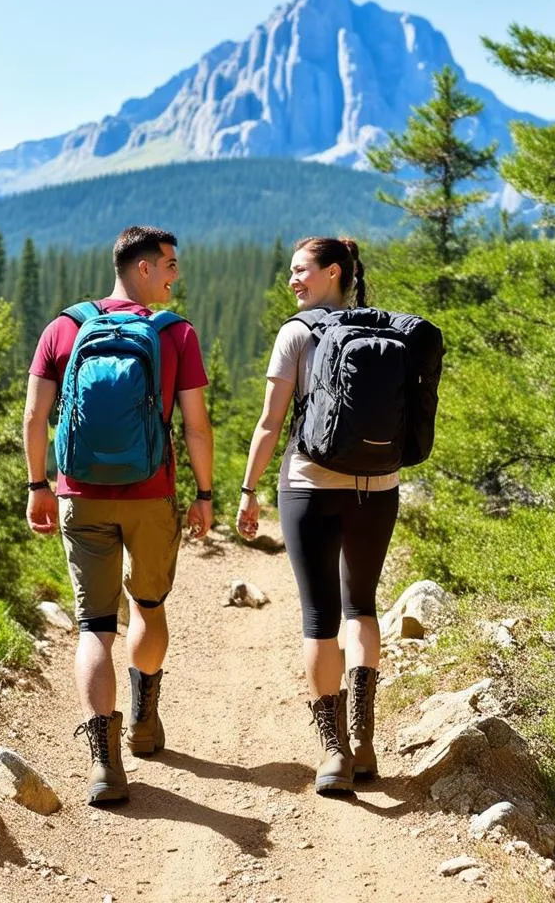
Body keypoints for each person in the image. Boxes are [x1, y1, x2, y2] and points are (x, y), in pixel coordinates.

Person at [23, 225, 213, 806]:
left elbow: (35, 417)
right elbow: (196, 426)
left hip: (79, 493)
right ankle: (143, 721)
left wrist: (39, 486)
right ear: (143, 267)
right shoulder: (176, 333)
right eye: (170, 265)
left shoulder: (65, 326)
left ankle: (104, 767)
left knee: (94, 626)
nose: (176, 275)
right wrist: (205, 494)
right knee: (149, 606)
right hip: (151, 495)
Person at [236, 237, 398, 794]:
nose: (292, 281)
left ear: (333, 272)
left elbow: (269, 422)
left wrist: (248, 488)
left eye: (301, 271)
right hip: (379, 487)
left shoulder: (296, 333)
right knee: (361, 608)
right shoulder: (387, 331)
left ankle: (333, 753)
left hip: (309, 485)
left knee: (318, 618)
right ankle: (365, 741)